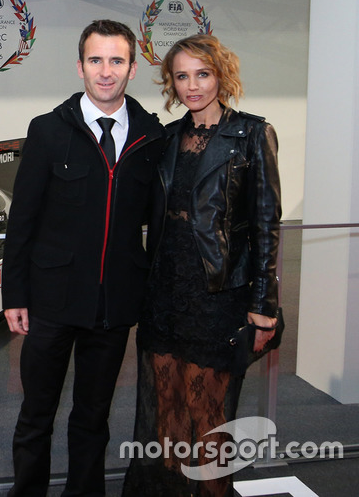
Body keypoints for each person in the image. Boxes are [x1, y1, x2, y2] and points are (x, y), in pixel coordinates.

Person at [2, 19, 166, 496]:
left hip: (113, 308)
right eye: (96, 60)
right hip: (51, 302)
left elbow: (157, 227)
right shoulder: (49, 130)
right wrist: (16, 293)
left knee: (94, 417)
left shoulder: (151, 138)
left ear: (133, 68)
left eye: (117, 61)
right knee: (36, 415)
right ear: (80, 66)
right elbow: (23, 220)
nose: (106, 71)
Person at [122, 34, 282, 496]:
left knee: (208, 416)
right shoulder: (167, 139)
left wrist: (264, 305)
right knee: (166, 412)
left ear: (221, 75)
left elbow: (268, 225)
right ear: (171, 83)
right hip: (165, 293)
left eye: (203, 74)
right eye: (182, 76)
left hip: (218, 299)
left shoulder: (252, 134)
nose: (193, 85)